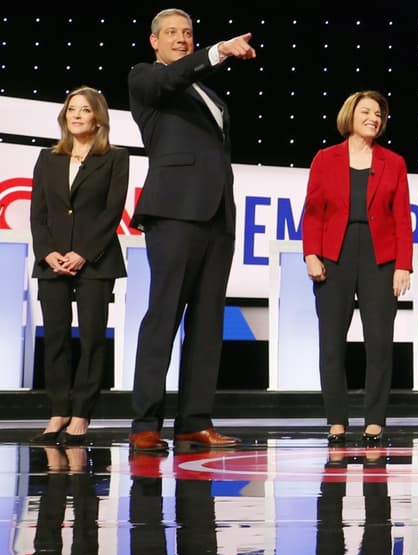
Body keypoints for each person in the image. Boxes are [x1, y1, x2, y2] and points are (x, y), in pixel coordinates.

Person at [126, 8, 256, 452]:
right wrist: (218, 51)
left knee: (207, 323)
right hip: (175, 212)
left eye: (187, 32)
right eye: (172, 33)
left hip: (217, 216)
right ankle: (146, 421)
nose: (181, 38)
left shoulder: (209, 96)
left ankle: (194, 421)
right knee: (164, 315)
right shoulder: (146, 78)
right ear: (154, 41)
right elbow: (171, 79)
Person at [302, 90, 413, 447]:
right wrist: (311, 253)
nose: (373, 118)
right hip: (334, 254)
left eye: (378, 114)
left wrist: (403, 265)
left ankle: (375, 421)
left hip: (380, 257)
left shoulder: (393, 162)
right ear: (350, 115)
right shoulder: (325, 158)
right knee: (331, 341)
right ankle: (336, 421)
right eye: (366, 112)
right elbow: (313, 212)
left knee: (379, 342)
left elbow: (402, 219)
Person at [28, 87, 128, 447]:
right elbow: (38, 213)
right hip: (52, 261)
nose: (77, 115)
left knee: (91, 338)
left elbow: (112, 212)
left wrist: (83, 252)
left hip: (95, 261)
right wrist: (48, 252)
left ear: (97, 118)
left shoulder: (115, 158)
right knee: (55, 337)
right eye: (72, 109)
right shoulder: (48, 158)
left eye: (85, 110)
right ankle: (58, 411)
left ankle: (82, 413)